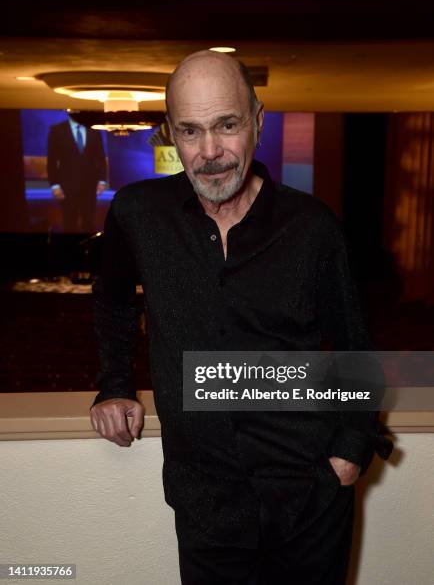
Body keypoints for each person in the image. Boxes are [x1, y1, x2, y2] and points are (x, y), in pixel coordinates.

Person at [89, 50, 393, 585]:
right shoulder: (138, 214)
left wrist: (347, 457)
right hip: (207, 503)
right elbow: (112, 297)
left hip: (310, 497)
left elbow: (354, 349)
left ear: (257, 120)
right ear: (169, 134)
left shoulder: (312, 227)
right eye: (189, 131)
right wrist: (115, 385)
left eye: (227, 126)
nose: (210, 152)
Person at [47, 114, 108, 232]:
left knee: (89, 222)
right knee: (69, 223)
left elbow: (100, 157)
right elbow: (52, 161)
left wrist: (102, 180)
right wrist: (54, 185)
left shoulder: (94, 129)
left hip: (90, 186)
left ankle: (89, 249)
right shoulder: (57, 130)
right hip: (67, 187)